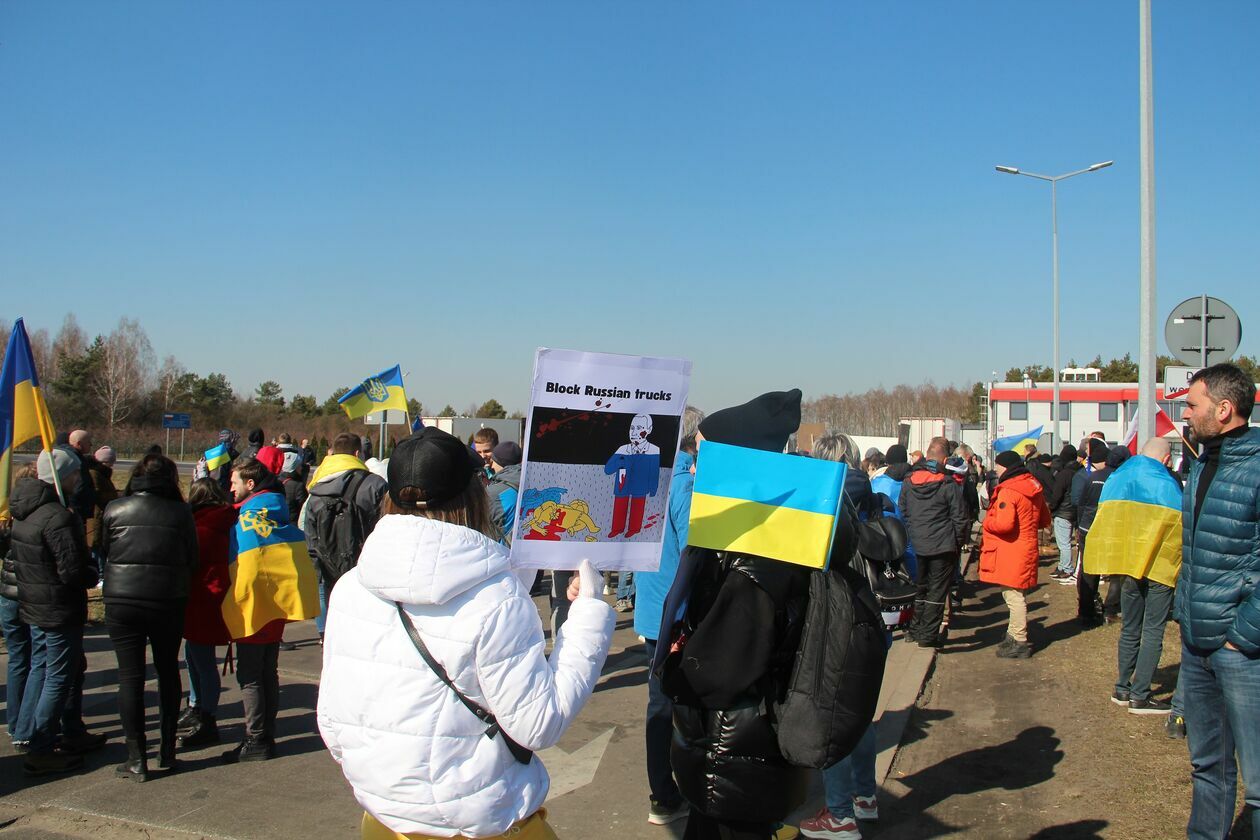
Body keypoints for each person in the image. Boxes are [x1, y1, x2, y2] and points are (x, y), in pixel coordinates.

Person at [317, 427, 615, 838]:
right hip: (476, 822)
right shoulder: (498, 599)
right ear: (473, 496)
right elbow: (539, 724)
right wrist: (587, 617)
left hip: (382, 820)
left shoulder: (351, 586)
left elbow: (332, 723)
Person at [656, 389, 815, 840]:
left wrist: (676, 667)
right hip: (737, 752)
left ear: (737, 460)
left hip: (737, 753)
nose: (692, 464)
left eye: (702, 453)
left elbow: (728, 666)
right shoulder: (771, 526)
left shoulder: (756, 551)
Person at [1175, 363, 1260, 839]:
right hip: (1196, 642)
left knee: (1258, 783)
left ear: (1224, 409)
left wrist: (1242, 637)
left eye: (1192, 405)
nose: (1184, 414)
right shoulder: (1203, 460)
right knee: (1208, 768)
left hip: (1241, 651)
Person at [799, 435, 884, 840]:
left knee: (831, 715)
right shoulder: (871, 491)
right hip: (872, 611)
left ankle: (838, 813)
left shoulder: (823, 495)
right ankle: (865, 797)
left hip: (838, 613)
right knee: (861, 712)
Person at [99, 453, 199, 780]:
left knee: (130, 677)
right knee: (168, 671)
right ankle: (167, 750)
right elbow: (192, 558)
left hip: (122, 599)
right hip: (167, 598)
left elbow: (105, 550)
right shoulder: (181, 512)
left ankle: (135, 756)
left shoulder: (116, 508)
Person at [10, 448, 105, 775]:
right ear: (61, 477)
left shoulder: (25, 511)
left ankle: (27, 733)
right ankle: (40, 745)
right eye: (75, 474)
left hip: (35, 604)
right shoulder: (56, 517)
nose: (79, 479)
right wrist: (93, 575)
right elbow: (71, 569)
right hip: (58, 608)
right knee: (59, 675)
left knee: (41, 667)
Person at [630, 405, 704, 827]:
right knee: (685, 708)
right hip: (678, 612)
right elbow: (695, 552)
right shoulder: (681, 485)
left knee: (660, 705)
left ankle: (662, 793)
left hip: (652, 608)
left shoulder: (649, 478)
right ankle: (682, 790)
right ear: (693, 439)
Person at [224, 456, 321, 762]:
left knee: (250, 675)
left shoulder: (246, 517)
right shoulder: (276, 512)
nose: (230, 488)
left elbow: (245, 562)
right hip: (277, 605)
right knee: (268, 671)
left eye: (234, 482)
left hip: (255, 604)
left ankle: (256, 739)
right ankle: (265, 733)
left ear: (249, 484)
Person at [1083, 438, 1182, 714]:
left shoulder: (1119, 477)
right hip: (1159, 566)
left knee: (1130, 626)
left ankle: (1122, 686)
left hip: (1128, 563)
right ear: (1166, 459)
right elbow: (1179, 526)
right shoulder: (1167, 483)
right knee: (1153, 629)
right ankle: (1140, 695)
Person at [303, 433, 388, 643]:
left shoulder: (316, 487)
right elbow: (387, 526)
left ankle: (327, 636)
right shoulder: (375, 484)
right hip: (366, 565)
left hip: (328, 565)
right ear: (357, 453)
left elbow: (310, 534)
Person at [178, 478, 237, 749]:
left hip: (203, 596)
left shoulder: (201, 525)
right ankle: (198, 706)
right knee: (195, 656)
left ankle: (206, 716)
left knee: (200, 660)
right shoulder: (228, 520)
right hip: (214, 595)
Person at [980, 450, 1051, 659]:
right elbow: (1044, 519)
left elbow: (1004, 524)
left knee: (1013, 596)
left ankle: (1019, 639)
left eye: (998, 466)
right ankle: (1013, 634)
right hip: (1026, 546)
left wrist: (987, 521)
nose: (995, 469)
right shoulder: (1032, 486)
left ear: (1006, 467)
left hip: (1011, 550)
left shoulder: (1009, 490)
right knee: (1017, 593)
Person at [900, 437, 970, 648]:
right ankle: (927, 636)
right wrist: (957, 543)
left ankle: (914, 630)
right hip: (942, 545)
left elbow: (903, 510)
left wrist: (914, 530)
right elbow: (960, 518)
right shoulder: (947, 483)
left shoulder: (909, 480)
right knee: (936, 591)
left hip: (918, 543)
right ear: (945, 458)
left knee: (920, 588)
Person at [2, 465, 35, 752]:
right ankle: (26, 727)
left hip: (9, 593)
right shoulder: (39, 515)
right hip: (31, 594)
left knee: (18, 660)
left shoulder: (9, 515)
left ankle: (16, 723)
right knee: (38, 662)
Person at [1071, 438, 1114, 627]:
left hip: (1088, 528)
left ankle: (1086, 609)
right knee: (1107, 570)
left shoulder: (1086, 477)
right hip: (1105, 528)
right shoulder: (1113, 478)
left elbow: (1079, 503)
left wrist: (1079, 526)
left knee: (1087, 569)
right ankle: (1108, 608)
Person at [604, 414, 662, 539]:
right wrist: (620, 461)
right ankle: (616, 529)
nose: (634, 432)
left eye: (640, 427)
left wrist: (653, 489)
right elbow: (608, 469)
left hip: (640, 487)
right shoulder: (623, 449)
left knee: (638, 508)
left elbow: (654, 471)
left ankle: (634, 529)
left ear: (649, 429)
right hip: (622, 485)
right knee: (620, 507)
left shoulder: (654, 450)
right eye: (632, 428)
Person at [870, 444, 916, 580]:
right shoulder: (914, 481)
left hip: (881, 541)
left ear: (888, 462)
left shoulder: (875, 483)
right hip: (912, 544)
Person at [1047, 444, 1081, 583]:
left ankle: (1066, 568)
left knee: (1064, 543)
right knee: (1068, 543)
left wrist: (1053, 508)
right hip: (1076, 511)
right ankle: (1063, 566)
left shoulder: (1064, 474)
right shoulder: (1081, 472)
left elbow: (1057, 494)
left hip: (1063, 512)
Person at [485, 440, 523, 544]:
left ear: (500, 463)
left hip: (503, 553)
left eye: (493, 462)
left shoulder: (493, 493)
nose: (492, 466)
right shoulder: (531, 485)